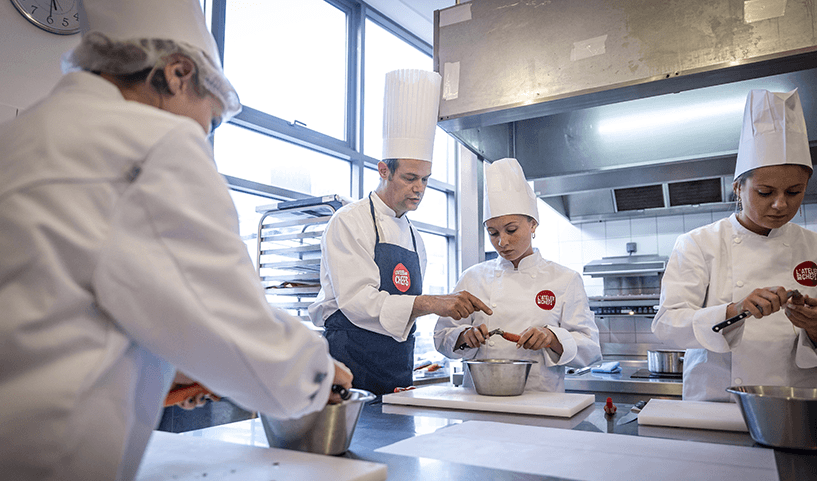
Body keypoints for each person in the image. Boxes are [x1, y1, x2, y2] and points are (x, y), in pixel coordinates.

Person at [0, 1, 351, 480]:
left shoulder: (20, 136)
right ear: (178, 73)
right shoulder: (149, 141)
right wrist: (317, 374)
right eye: (207, 123)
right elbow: (233, 321)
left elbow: (55, 314)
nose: (202, 139)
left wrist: (172, 369)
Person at [309, 69, 492, 396]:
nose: (419, 188)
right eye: (410, 178)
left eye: (425, 179)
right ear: (383, 170)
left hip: (396, 366)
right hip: (348, 365)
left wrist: (435, 306)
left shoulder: (414, 237)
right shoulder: (350, 221)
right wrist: (434, 303)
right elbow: (357, 302)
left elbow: (405, 310)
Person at [652, 89, 817, 402]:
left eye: (794, 192)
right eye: (765, 192)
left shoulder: (813, 245)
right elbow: (666, 326)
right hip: (717, 404)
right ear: (738, 187)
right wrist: (735, 310)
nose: (780, 205)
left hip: (797, 405)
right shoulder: (698, 244)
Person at [434, 158, 601, 392]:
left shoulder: (565, 279)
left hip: (541, 404)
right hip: (481, 402)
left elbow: (591, 349)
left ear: (533, 224)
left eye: (511, 230)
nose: (502, 242)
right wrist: (464, 336)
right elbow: (442, 336)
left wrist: (552, 338)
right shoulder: (472, 278)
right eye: (493, 233)